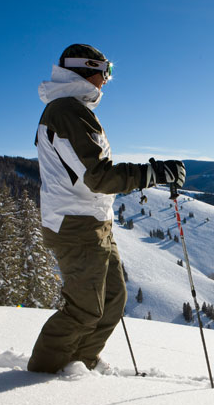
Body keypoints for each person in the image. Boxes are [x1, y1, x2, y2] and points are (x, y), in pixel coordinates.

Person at [28, 44, 185, 374]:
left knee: (112, 300)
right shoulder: (67, 111)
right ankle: (40, 377)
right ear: (88, 70)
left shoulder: (74, 109)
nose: (107, 80)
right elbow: (99, 176)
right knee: (85, 309)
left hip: (92, 221)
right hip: (76, 224)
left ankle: (77, 365)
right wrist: (153, 173)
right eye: (106, 71)